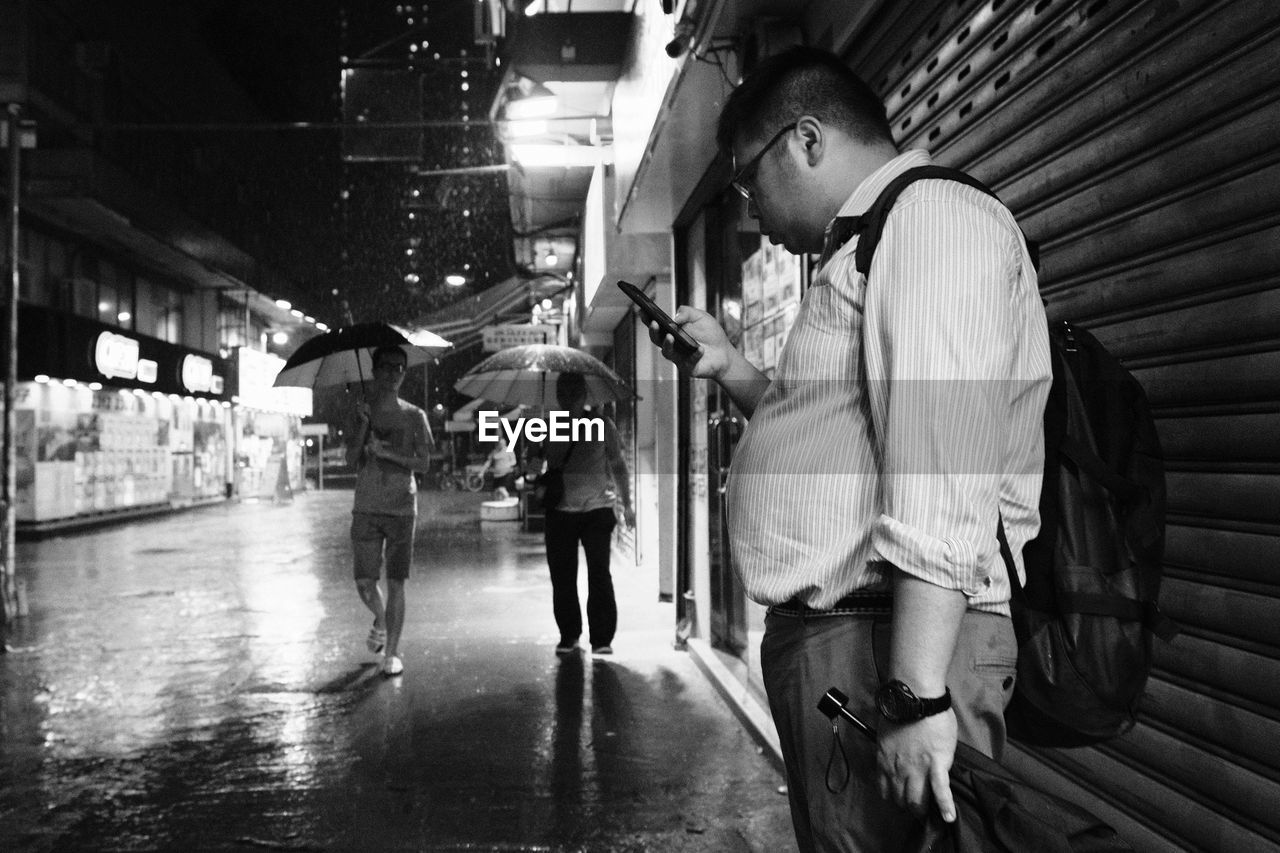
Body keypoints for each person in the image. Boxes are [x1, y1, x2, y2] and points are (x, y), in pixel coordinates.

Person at [650, 46, 1052, 851]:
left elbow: (945, 468)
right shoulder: (871, 242)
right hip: (856, 645)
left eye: (746, 179)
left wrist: (913, 695)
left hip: (884, 647)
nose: (751, 208)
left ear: (806, 139)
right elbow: (847, 444)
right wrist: (730, 365)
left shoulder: (931, 221)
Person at [345, 344, 435, 677]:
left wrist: (387, 454)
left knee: (397, 581)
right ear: (374, 371)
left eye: (400, 368)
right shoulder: (360, 412)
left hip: (401, 508)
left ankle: (392, 653)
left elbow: (423, 463)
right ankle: (381, 620)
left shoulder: (415, 416)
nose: (394, 374)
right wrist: (364, 426)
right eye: (387, 367)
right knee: (365, 582)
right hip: (366, 505)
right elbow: (350, 458)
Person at [539, 372, 636, 656]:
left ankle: (602, 639)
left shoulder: (602, 425)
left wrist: (626, 503)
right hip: (559, 512)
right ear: (558, 397)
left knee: (599, 575)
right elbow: (535, 464)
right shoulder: (546, 427)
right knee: (562, 576)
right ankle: (569, 635)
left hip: (597, 510)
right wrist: (534, 465)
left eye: (575, 394)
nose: (570, 400)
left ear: (584, 396)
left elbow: (618, 465)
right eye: (565, 395)